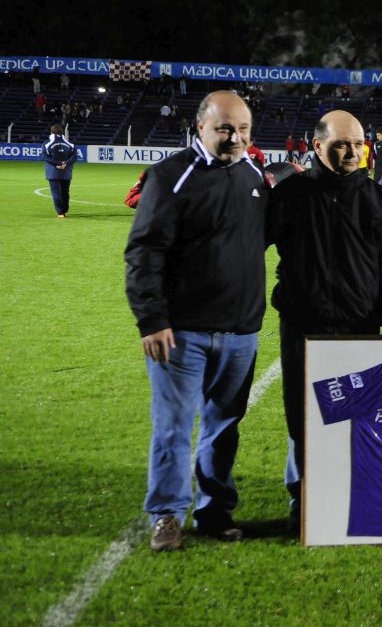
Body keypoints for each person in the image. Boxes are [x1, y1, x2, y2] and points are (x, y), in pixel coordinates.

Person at [125, 90, 267, 551]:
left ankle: (214, 510)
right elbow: (144, 251)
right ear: (201, 127)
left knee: (224, 426)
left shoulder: (253, 174)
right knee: (173, 425)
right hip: (181, 331)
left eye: (243, 128)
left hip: (241, 330)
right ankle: (166, 515)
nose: (235, 137)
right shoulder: (170, 175)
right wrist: (151, 319)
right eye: (225, 128)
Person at [266, 110, 382, 528]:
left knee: (356, 413)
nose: (352, 151)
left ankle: (350, 491)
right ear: (317, 146)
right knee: (302, 413)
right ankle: (303, 498)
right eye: (341, 144)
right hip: (303, 325)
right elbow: (244, 247)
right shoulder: (290, 193)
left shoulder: (378, 199)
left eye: (357, 143)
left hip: (359, 328)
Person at [41, 125, 77, 218]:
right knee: (65, 192)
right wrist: (65, 163)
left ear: (51, 132)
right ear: (62, 132)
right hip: (66, 172)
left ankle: (60, 213)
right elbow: (74, 157)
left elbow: (45, 157)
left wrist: (58, 163)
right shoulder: (70, 144)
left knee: (56, 193)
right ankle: (65, 210)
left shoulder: (47, 144)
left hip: (53, 173)